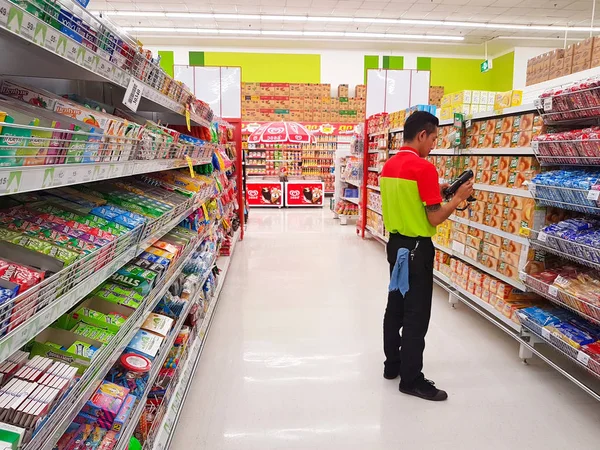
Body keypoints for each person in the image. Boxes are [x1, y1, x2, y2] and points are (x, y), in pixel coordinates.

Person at [380, 111, 474, 401]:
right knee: (416, 315)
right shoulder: (423, 168)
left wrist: (442, 190)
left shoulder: (389, 165)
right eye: (433, 138)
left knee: (395, 306)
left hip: (396, 246)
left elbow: (412, 198)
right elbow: (433, 218)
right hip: (418, 251)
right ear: (422, 135)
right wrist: (457, 198)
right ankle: (411, 380)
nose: (433, 144)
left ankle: (392, 366)